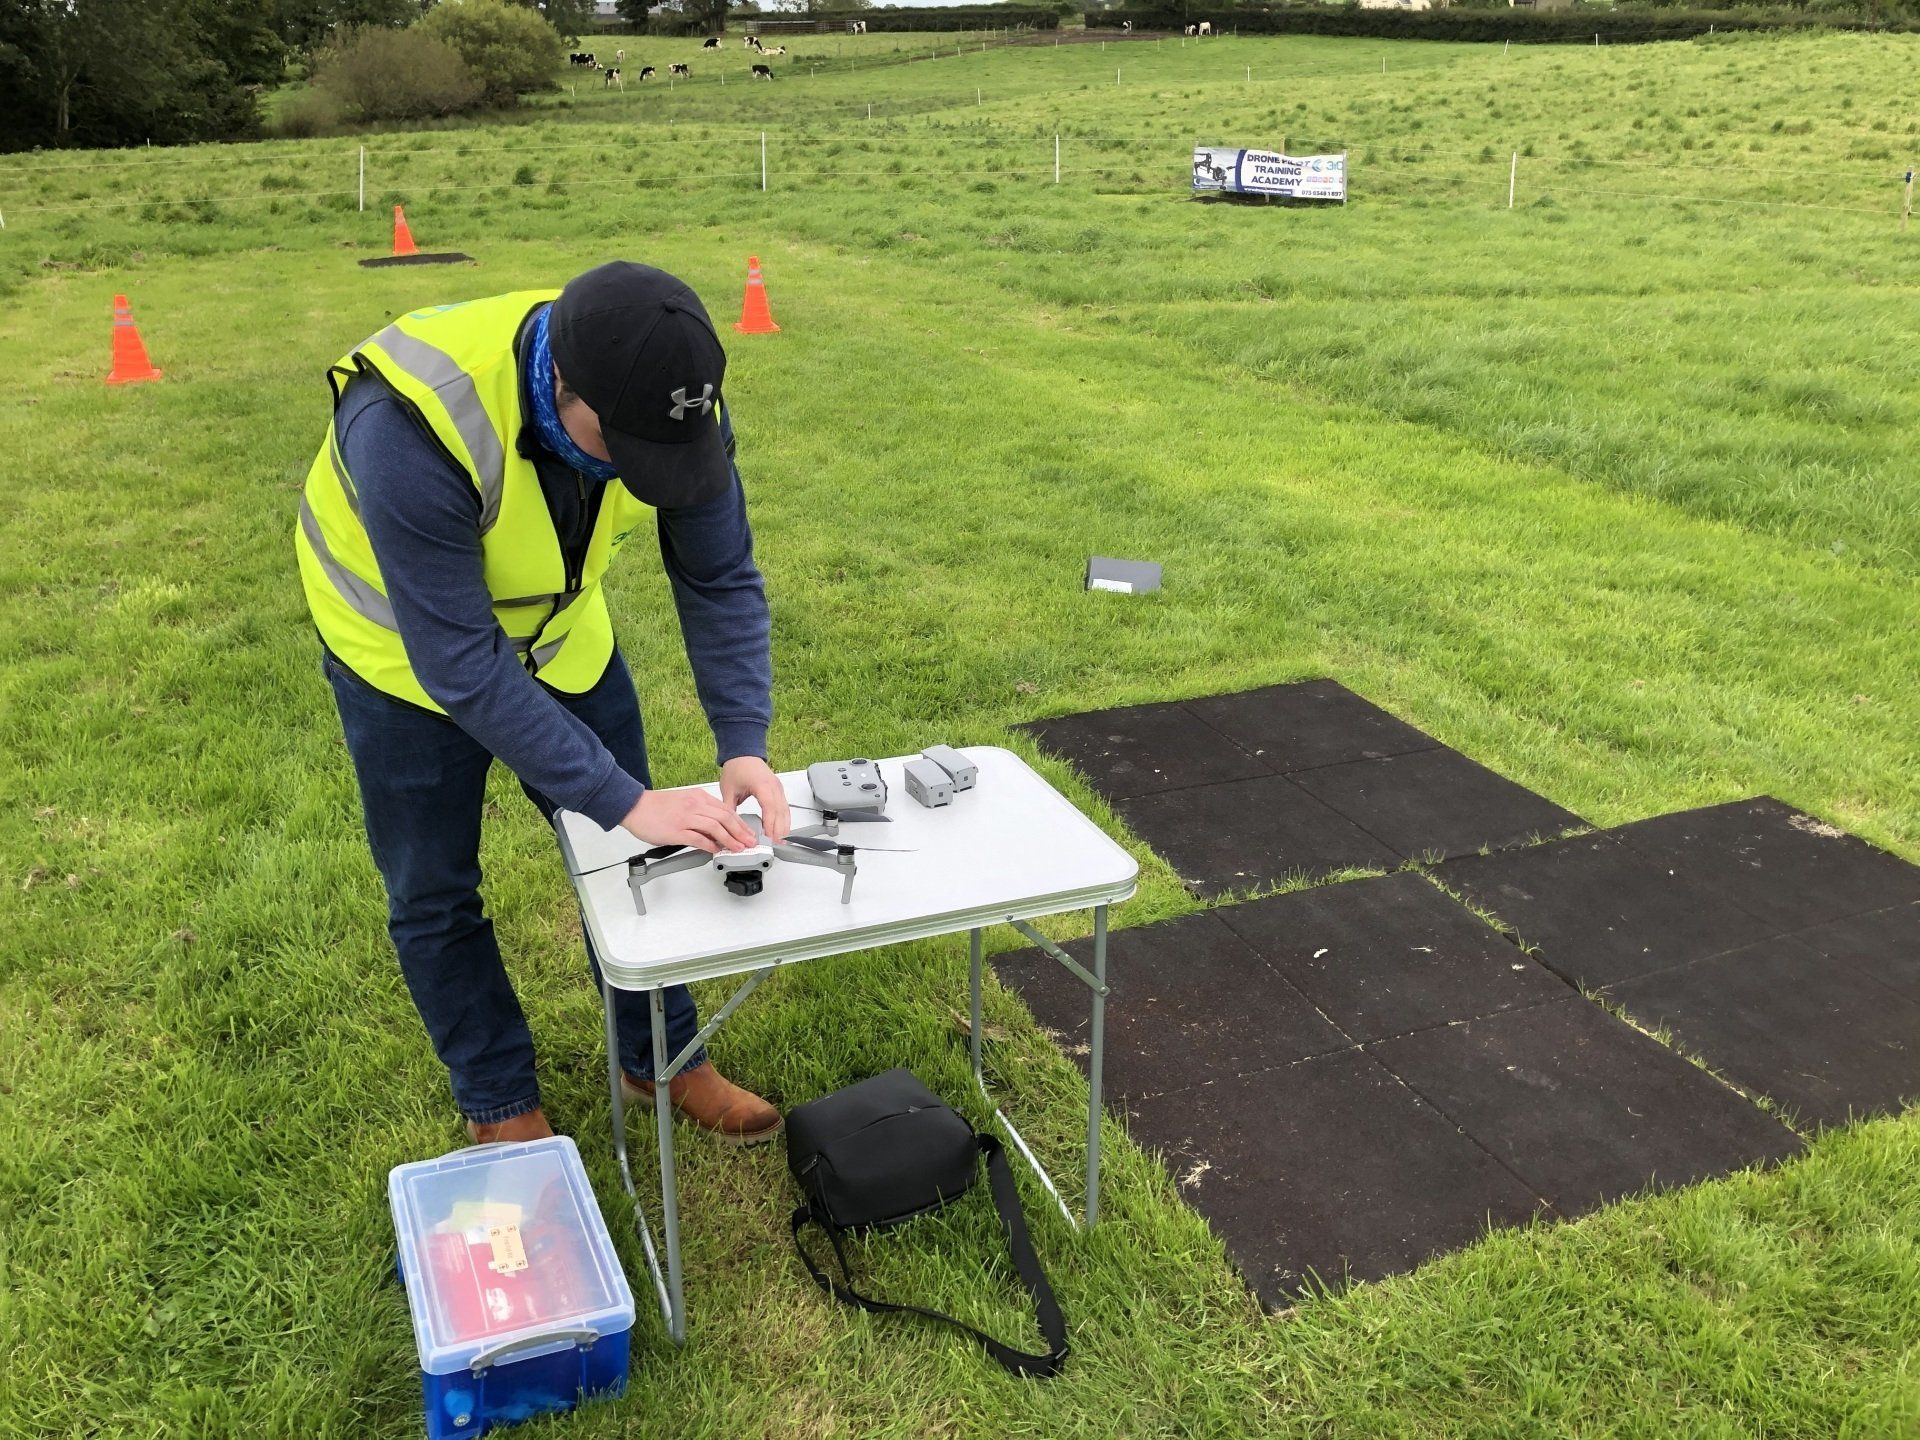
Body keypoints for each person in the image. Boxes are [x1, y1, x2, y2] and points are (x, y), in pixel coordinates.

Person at [296, 261, 787, 1145]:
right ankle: (498, 1102)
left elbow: (718, 576)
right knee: (435, 892)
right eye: (625, 451)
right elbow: (460, 663)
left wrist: (742, 737)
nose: (646, 473)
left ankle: (662, 1060)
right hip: (401, 662)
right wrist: (624, 799)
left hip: (560, 638)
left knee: (639, 862)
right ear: (561, 384)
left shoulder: (673, 403)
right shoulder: (405, 424)